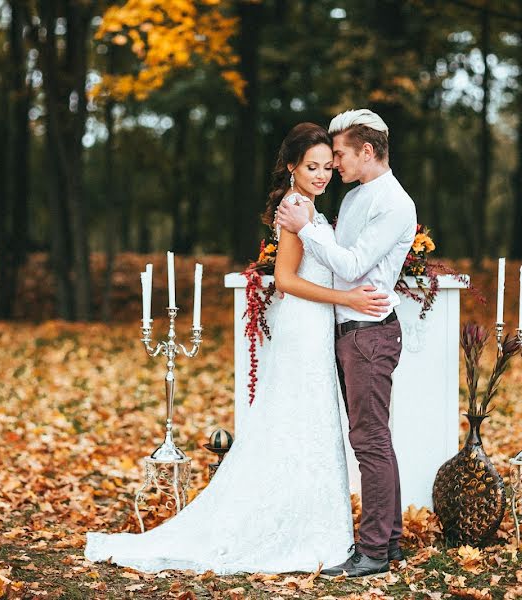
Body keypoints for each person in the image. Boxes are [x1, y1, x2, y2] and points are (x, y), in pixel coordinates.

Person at [84, 122, 389, 574]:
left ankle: (314, 527)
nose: (323, 174)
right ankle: (297, 531)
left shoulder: (309, 209)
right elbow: (285, 280)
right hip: (302, 331)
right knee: (297, 424)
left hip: (312, 329)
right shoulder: (294, 206)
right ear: (292, 168)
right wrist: (347, 298)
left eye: (328, 166)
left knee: (309, 428)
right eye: (312, 166)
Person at [276, 109, 417, 577]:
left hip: (370, 334)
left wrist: (306, 226)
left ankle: (374, 550)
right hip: (350, 332)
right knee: (373, 439)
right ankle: (389, 541)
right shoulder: (358, 197)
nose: (333, 164)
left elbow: (353, 263)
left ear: (368, 152)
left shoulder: (394, 203)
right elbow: (335, 262)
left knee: (370, 440)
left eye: (339, 154)